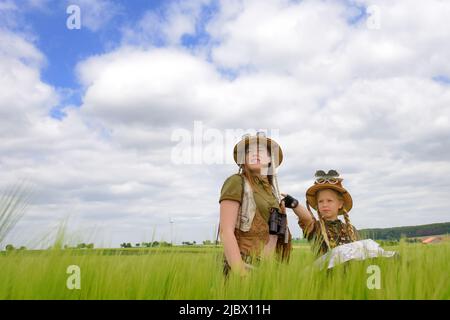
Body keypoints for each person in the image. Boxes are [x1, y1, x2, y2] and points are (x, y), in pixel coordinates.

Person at [219, 132, 292, 277]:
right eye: (249, 151)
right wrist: (241, 273)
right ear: (243, 159)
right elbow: (226, 231)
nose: (254, 153)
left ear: (270, 158)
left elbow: (273, 236)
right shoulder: (237, 182)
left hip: (267, 270)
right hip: (242, 267)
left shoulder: (272, 193)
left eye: (260, 150)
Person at [282, 170, 360, 257]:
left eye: (329, 201)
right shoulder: (316, 228)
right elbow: (307, 219)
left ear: (340, 204)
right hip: (322, 270)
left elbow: (360, 254)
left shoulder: (350, 229)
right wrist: (294, 204)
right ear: (317, 205)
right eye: (320, 201)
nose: (325, 205)